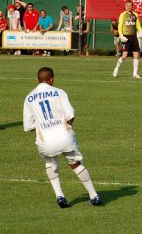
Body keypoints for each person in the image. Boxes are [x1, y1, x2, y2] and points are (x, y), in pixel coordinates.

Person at [23, 67, 103, 208]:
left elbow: (27, 126)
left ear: (38, 80)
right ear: (52, 79)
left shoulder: (29, 98)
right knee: (75, 164)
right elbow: (70, 115)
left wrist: (43, 124)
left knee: (50, 163)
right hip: (65, 136)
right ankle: (94, 196)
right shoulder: (59, 92)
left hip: (46, 140)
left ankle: (60, 196)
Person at [113, 0, 142, 78]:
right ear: (125, 6)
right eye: (127, 5)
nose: (129, 7)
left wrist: (141, 31)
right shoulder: (122, 15)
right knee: (124, 56)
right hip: (126, 37)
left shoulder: (135, 15)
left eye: (130, 6)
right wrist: (121, 36)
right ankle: (116, 69)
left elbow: (138, 25)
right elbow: (120, 26)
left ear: (132, 6)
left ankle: (135, 73)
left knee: (136, 55)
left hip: (134, 37)